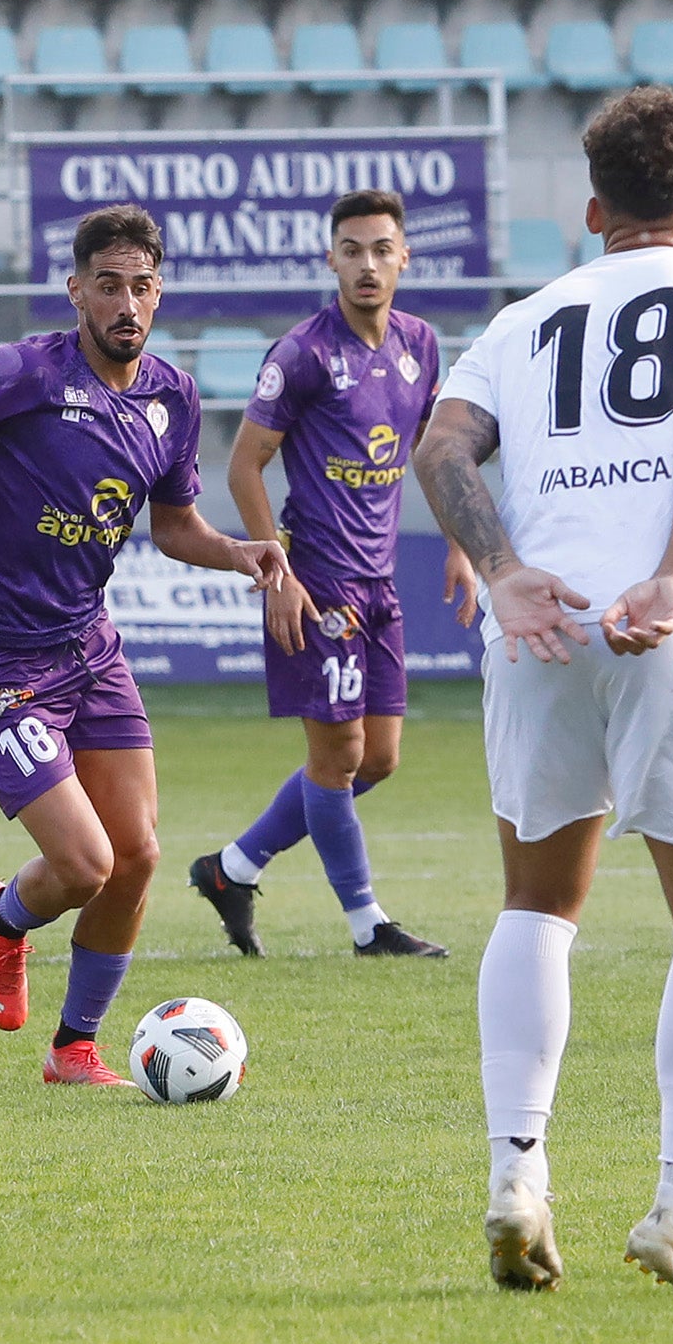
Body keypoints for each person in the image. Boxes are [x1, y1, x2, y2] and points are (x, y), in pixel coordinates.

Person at [412, 86, 673, 1296]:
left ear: (592, 209)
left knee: (536, 902)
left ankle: (515, 1173)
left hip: (537, 624)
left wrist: (505, 569)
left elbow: (439, 446)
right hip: (662, 619)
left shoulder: (525, 316)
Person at [0, 203, 289, 1086]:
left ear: (158, 292)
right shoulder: (23, 372)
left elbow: (174, 527)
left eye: (141, 286)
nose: (126, 304)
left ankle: (74, 1050)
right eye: (108, 287)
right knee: (85, 864)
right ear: (77, 292)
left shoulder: (170, 397)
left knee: (135, 855)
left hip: (86, 647)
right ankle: (4, 920)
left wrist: (239, 552)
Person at [189, 189, 477, 959]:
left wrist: (456, 543)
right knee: (338, 757)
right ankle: (367, 925)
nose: (368, 264)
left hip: (379, 584)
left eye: (382, 249)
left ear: (404, 255)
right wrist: (276, 571)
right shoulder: (303, 354)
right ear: (332, 259)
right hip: (320, 584)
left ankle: (233, 867)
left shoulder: (420, 344)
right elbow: (245, 466)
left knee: (375, 760)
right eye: (352, 250)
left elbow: (427, 453)